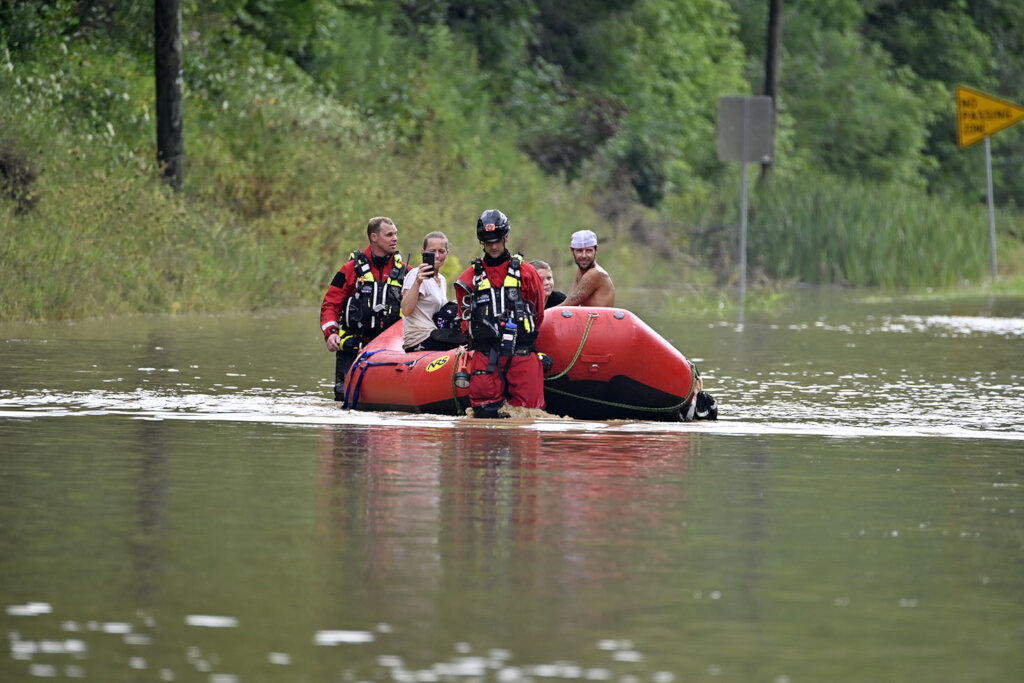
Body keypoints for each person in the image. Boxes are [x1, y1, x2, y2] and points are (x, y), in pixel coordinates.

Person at [455, 209, 546, 418]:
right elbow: (464, 321)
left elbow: (538, 313)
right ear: (481, 242)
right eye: (488, 242)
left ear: (506, 237)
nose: (494, 246)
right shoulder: (469, 279)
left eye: (497, 240)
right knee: (482, 423)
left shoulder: (527, 273)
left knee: (528, 419)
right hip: (485, 358)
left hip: (522, 354)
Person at [320, 216, 407, 400]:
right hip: (354, 347)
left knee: (389, 399)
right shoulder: (351, 269)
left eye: (395, 234)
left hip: (391, 351)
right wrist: (331, 333)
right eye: (389, 234)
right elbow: (331, 304)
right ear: (374, 237)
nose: (395, 238)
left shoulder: (406, 272)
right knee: (345, 397)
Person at [402, 231, 456, 352]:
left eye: (441, 251)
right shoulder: (415, 274)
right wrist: (417, 283)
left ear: (447, 253)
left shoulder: (441, 279)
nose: (437, 255)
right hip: (418, 338)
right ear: (423, 252)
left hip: (436, 334)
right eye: (432, 251)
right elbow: (406, 310)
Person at [556, 229, 615, 307]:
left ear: (596, 250)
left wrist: (545, 314)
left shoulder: (595, 273)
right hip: (588, 319)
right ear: (572, 251)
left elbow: (569, 304)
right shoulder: (581, 272)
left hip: (601, 319)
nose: (584, 256)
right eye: (579, 251)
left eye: (588, 251)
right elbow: (572, 306)